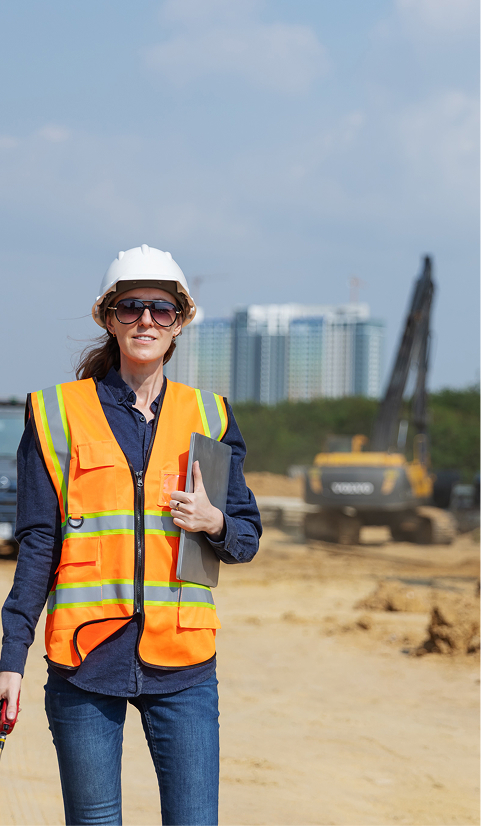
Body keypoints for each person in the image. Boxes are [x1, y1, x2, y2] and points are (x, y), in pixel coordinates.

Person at [0, 244, 261, 826]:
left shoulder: (210, 416)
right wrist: (11, 657)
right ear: (108, 318)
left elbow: (245, 537)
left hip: (184, 664)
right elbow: (39, 543)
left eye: (161, 310)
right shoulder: (57, 414)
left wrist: (213, 521)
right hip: (84, 661)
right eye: (131, 307)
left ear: (180, 322)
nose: (146, 320)